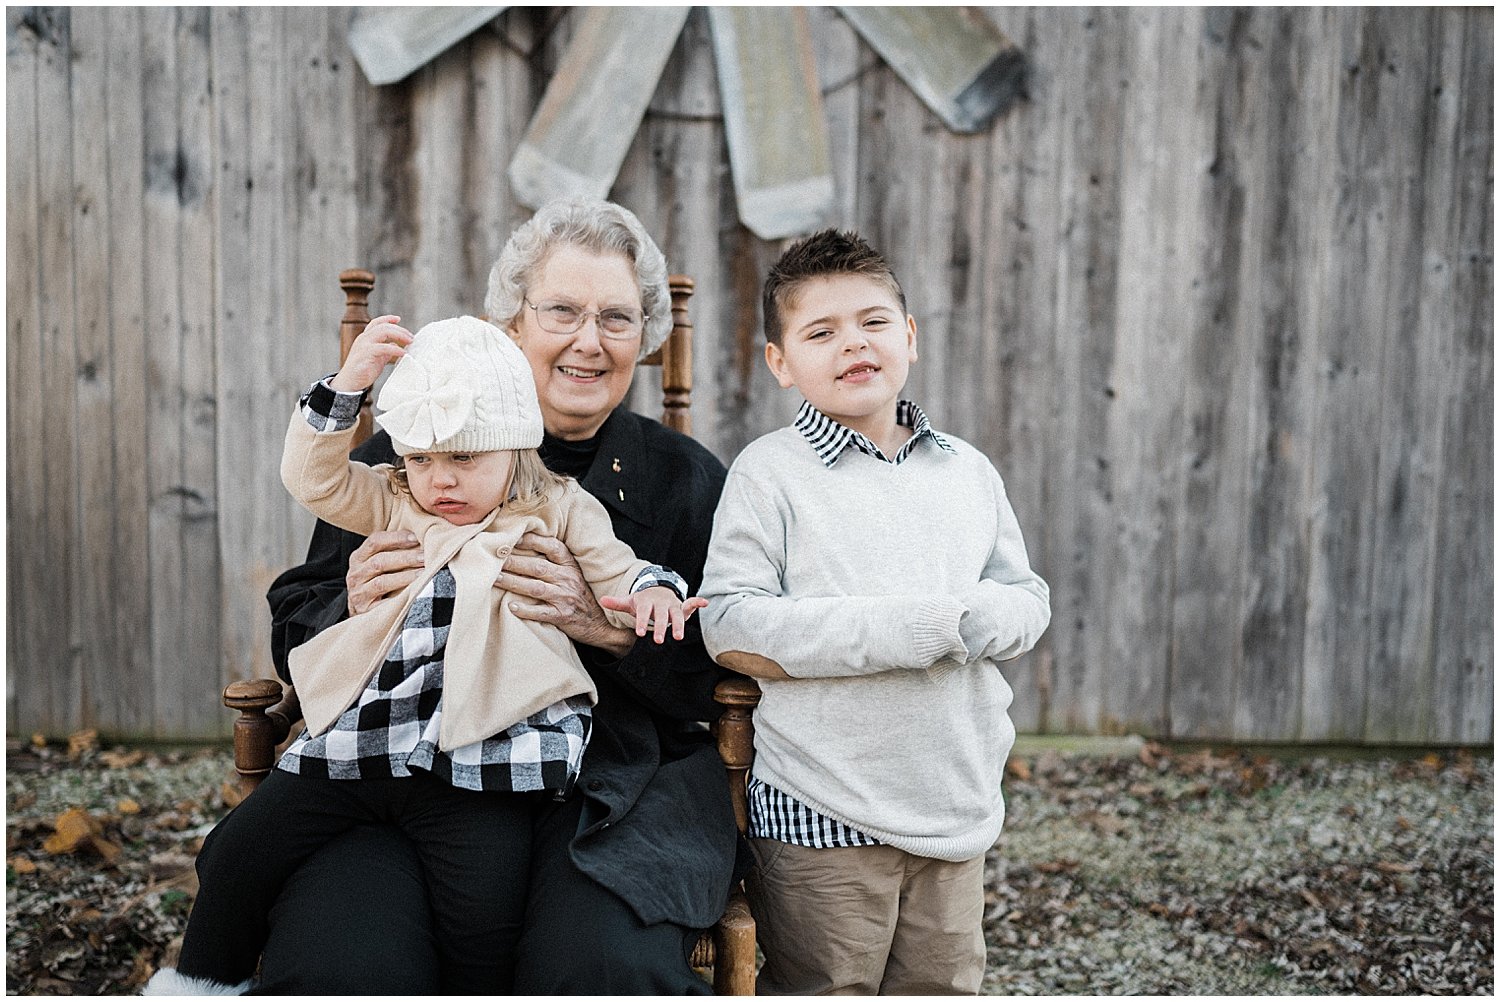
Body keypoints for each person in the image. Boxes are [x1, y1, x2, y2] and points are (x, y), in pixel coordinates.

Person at [253, 199, 739, 994]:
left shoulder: (685, 478)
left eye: (617, 318)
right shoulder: (409, 458)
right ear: (510, 326)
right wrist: (351, 604)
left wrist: (608, 630)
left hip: (609, 779)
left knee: (598, 967)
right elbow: (294, 616)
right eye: (562, 311)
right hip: (401, 765)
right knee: (345, 960)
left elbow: (721, 662)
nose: (589, 340)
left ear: (643, 339)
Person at [147, 315, 705, 995]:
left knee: (484, 926)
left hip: (482, 757)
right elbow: (312, 477)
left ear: (513, 447)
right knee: (236, 852)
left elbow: (618, 569)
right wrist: (348, 385)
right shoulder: (395, 499)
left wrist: (652, 594)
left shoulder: (556, 506)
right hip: (365, 740)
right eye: (422, 458)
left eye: (465, 459)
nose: (440, 481)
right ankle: (195, 986)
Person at [698, 229, 1052, 995]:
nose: (853, 343)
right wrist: (920, 628)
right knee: (831, 986)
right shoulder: (770, 476)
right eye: (821, 332)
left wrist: (986, 618)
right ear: (781, 363)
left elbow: (1025, 597)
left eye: (873, 321)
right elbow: (730, 625)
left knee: (944, 985)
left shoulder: (966, 469)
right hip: (824, 810)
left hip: (953, 801)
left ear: (910, 337)